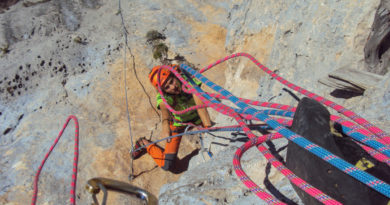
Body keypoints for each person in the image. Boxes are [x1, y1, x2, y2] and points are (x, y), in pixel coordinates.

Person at [132, 64, 212, 171]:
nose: (172, 87)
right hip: (179, 123)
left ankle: (201, 154)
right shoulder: (164, 95)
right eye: (167, 87)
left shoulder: (187, 81)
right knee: (168, 166)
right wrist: (165, 125)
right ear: (163, 90)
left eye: (171, 81)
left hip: (197, 118)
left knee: (212, 142)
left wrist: (208, 128)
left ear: (175, 76)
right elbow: (164, 109)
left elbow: (200, 106)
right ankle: (144, 144)